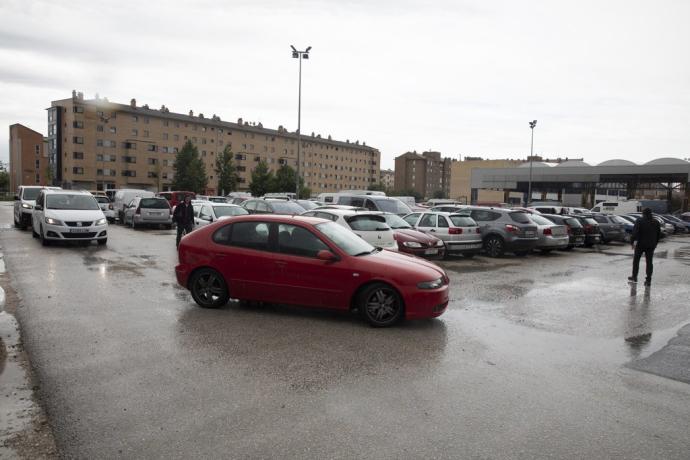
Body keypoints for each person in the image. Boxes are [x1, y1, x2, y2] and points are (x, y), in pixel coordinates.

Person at [628, 208, 661, 286]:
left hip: (640, 245)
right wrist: (655, 244)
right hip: (651, 245)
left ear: (643, 214)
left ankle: (634, 276)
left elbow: (635, 233)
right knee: (649, 262)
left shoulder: (639, 221)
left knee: (636, 261)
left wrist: (632, 242)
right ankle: (648, 280)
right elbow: (658, 234)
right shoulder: (656, 222)